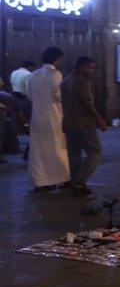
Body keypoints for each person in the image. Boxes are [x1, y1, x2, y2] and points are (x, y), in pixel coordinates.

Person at [61, 57, 109, 196]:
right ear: (80, 66)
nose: (91, 71)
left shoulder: (65, 80)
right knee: (95, 152)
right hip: (83, 123)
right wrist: (99, 120)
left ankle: (76, 184)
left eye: (93, 68)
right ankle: (79, 181)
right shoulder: (82, 81)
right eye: (89, 67)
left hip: (69, 123)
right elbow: (87, 103)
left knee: (74, 154)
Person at [26, 47, 70, 190]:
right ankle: (62, 177)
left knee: (38, 150)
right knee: (57, 147)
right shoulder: (55, 74)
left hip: (38, 116)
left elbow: (29, 96)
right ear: (56, 58)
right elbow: (58, 95)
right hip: (54, 116)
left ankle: (40, 181)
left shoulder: (33, 75)